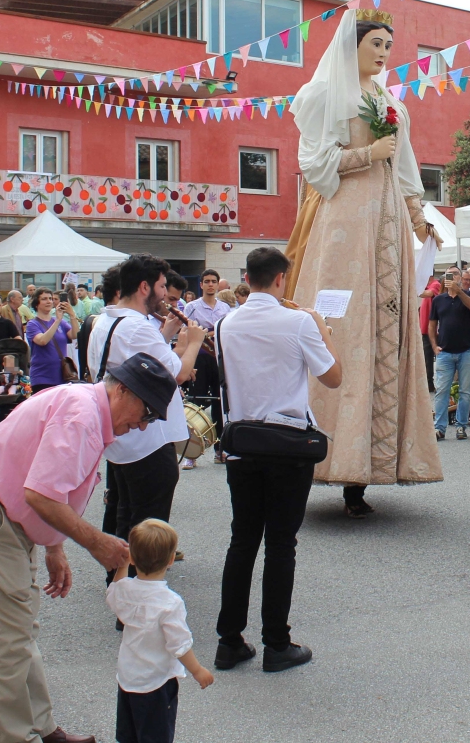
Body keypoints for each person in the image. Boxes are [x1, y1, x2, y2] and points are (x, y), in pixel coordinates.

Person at [0, 352, 175, 743]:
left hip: (0, 513)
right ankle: (17, 737)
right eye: (147, 412)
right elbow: (41, 494)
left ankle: (43, 729)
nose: (142, 424)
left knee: (18, 631)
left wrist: (55, 546)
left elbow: (51, 484)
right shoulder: (82, 415)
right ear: (122, 390)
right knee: (3, 643)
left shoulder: (87, 409)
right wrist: (97, 542)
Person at [284, 7, 443, 517]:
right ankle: (322, 457)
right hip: (347, 223)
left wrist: (418, 219)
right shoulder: (324, 95)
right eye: (375, 43)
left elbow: (406, 169)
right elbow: (314, 165)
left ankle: (369, 467)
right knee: (344, 330)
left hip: (388, 225)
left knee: (386, 330)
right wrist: (366, 154)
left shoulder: (392, 103)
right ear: (350, 46)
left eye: (387, 46)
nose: (383, 52)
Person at [214, 247, 342, 672]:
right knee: (281, 544)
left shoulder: (226, 323)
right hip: (286, 444)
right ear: (281, 279)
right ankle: (277, 643)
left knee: (242, 540)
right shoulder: (298, 321)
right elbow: (333, 376)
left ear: (247, 278)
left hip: (243, 441)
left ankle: (229, 640)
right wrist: (322, 328)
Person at [86, 255, 204, 581]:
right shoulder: (137, 326)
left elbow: (138, 364)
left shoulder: (106, 321)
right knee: (147, 523)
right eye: (162, 286)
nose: (165, 295)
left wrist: (164, 335)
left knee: (125, 514)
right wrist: (193, 343)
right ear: (144, 287)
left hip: (124, 439)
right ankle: (139, 592)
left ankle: (119, 585)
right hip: (146, 438)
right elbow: (178, 373)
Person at [106, 520, 213, 743]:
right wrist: (197, 670)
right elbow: (179, 644)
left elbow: (113, 594)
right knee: (156, 735)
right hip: (156, 682)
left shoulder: (125, 590)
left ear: (132, 558)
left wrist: (122, 566)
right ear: (171, 559)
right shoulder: (170, 603)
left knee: (128, 735)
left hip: (128, 677)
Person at [181, 270, 230, 469]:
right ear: (201, 285)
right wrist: (206, 335)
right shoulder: (191, 307)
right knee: (195, 402)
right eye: (207, 281)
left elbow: (227, 330)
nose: (210, 285)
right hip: (199, 357)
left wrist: (208, 333)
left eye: (214, 281)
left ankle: (220, 450)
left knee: (220, 403)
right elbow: (186, 331)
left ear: (218, 285)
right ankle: (190, 453)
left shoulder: (225, 308)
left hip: (218, 358)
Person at [428, 268, 470, 441]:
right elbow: (432, 324)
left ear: (461, 278)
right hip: (445, 352)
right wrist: (434, 346)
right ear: (445, 278)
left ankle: (461, 426)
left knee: (465, 391)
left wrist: (459, 291)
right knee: (442, 391)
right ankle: (439, 428)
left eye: (456, 274)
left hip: (466, 350)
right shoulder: (438, 300)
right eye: (450, 274)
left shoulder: (469, 295)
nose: (453, 276)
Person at [26, 288, 77, 392]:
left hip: (62, 375)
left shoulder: (61, 322)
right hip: (42, 376)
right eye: (44, 299)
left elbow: (74, 335)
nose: (49, 301)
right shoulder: (32, 324)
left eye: (50, 298)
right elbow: (42, 341)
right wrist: (57, 321)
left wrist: (72, 315)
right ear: (36, 303)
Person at [417, 274, 443, 394]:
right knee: (427, 358)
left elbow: (428, 294)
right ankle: (429, 383)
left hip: (431, 330)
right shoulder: (428, 286)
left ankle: (430, 383)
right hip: (425, 329)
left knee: (430, 358)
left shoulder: (435, 284)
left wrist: (413, 288)